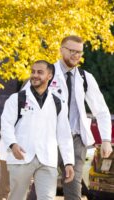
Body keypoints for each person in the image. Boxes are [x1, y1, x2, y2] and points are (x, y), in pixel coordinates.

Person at [48, 35, 113, 199]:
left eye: (79, 52)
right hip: (49, 137)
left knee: (73, 187)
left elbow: (102, 110)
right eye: (71, 51)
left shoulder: (85, 77)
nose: (76, 55)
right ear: (61, 50)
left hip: (76, 139)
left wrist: (106, 139)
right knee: (43, 185)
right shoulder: (46, 73)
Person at [1, 60, 75, 200]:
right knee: (17, 197)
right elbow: (6, 125)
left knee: (47, 198)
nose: (35, 75)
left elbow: (64, 134)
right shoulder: (16, 99)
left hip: (47, 158)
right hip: (21, 155)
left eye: (40, 72)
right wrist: (12, 144)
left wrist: (68, 162)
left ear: (49, 76)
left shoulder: (58, 102)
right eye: (33, 71)